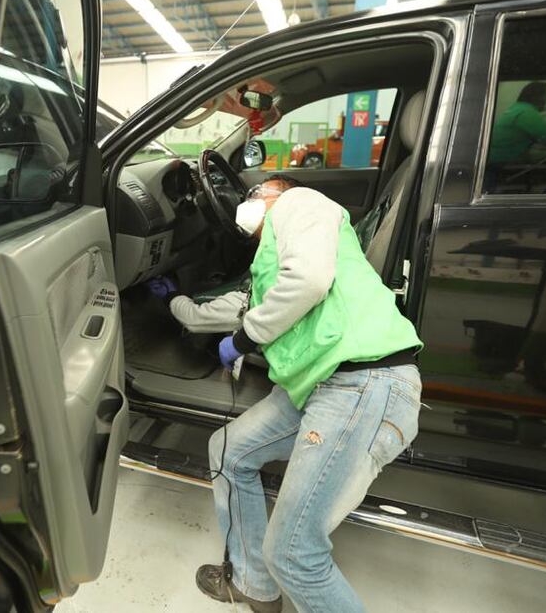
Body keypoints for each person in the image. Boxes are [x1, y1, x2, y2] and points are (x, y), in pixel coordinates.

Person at [147, 175, 423, 613]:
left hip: (364, 382)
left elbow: (308, 281)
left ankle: (270, 575)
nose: (247, 202)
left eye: (254, 193)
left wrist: (244, 339)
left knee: (295, 554)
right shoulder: (269, 273)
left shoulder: (302, 202)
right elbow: (215, 314)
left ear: (276, 192)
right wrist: (173, 300)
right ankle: (254, 587)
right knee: (228, 451)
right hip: (322, 386)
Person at [488, 81, 546, 166]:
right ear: (536, 97)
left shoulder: (517, 108)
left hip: (496, 158)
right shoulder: (527, 112)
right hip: (504, 162)